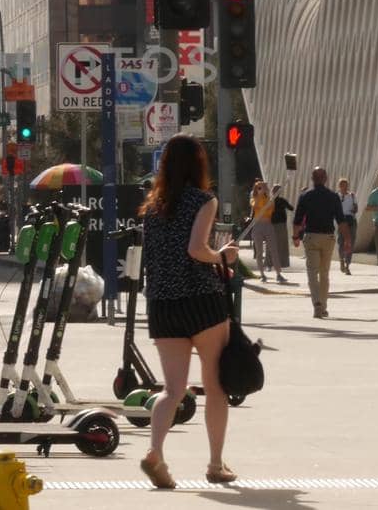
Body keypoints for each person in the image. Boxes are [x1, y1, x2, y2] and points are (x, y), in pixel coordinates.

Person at [137, 134, 239, 489]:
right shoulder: (203, 200)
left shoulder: (152, 207)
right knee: (215, 386)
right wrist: (222, 256)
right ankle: (215, 464)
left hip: (163, 304)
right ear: (199, 165)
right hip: (201, 302)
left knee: (172, 389)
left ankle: (155, 452)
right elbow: (197, 249)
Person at [292, 168, 344, 318]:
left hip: (311, 237)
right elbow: (341, 220)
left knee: (312, 272)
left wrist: (295, 237)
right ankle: (323, 304)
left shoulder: (305, 196)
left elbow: (297, 220)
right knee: (324, 273)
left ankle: (317, 304)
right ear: (326, 178)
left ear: (312, 179)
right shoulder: (333, 197)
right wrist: (347, 239)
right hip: (328, 237)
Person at [245, 180, 285, 283]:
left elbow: (271, 207)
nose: (261, 189)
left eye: (262, 187)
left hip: (268, 225)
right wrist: (259, 194)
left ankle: (278, 274)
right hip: (257, 226)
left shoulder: (269, 198)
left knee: (273, 250)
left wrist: (266, 192)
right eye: (259, 187)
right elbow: (254, 206)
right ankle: (262, 274)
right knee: (259, 252)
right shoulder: (253, 198)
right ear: (255, 189)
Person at [336, 177, 358, 274]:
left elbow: (356, 208)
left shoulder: (352, 196)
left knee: (350, 243)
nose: (344, 187)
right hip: (341, 221)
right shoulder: (336, 196)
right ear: (339, 186)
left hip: (351, 220)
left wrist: (354, 209)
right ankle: (341, 260)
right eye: (342, 185)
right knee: (341, 242)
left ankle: (347, 265)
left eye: (346, 185)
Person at [271, 185, 293, 277]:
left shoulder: (272, 201)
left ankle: (275, 263)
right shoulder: (273, 201)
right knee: (279, 244)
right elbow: (291, 208)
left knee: (275, 244)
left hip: (276, 224)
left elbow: (291, 208)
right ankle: (277, 263)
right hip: (276, 224)